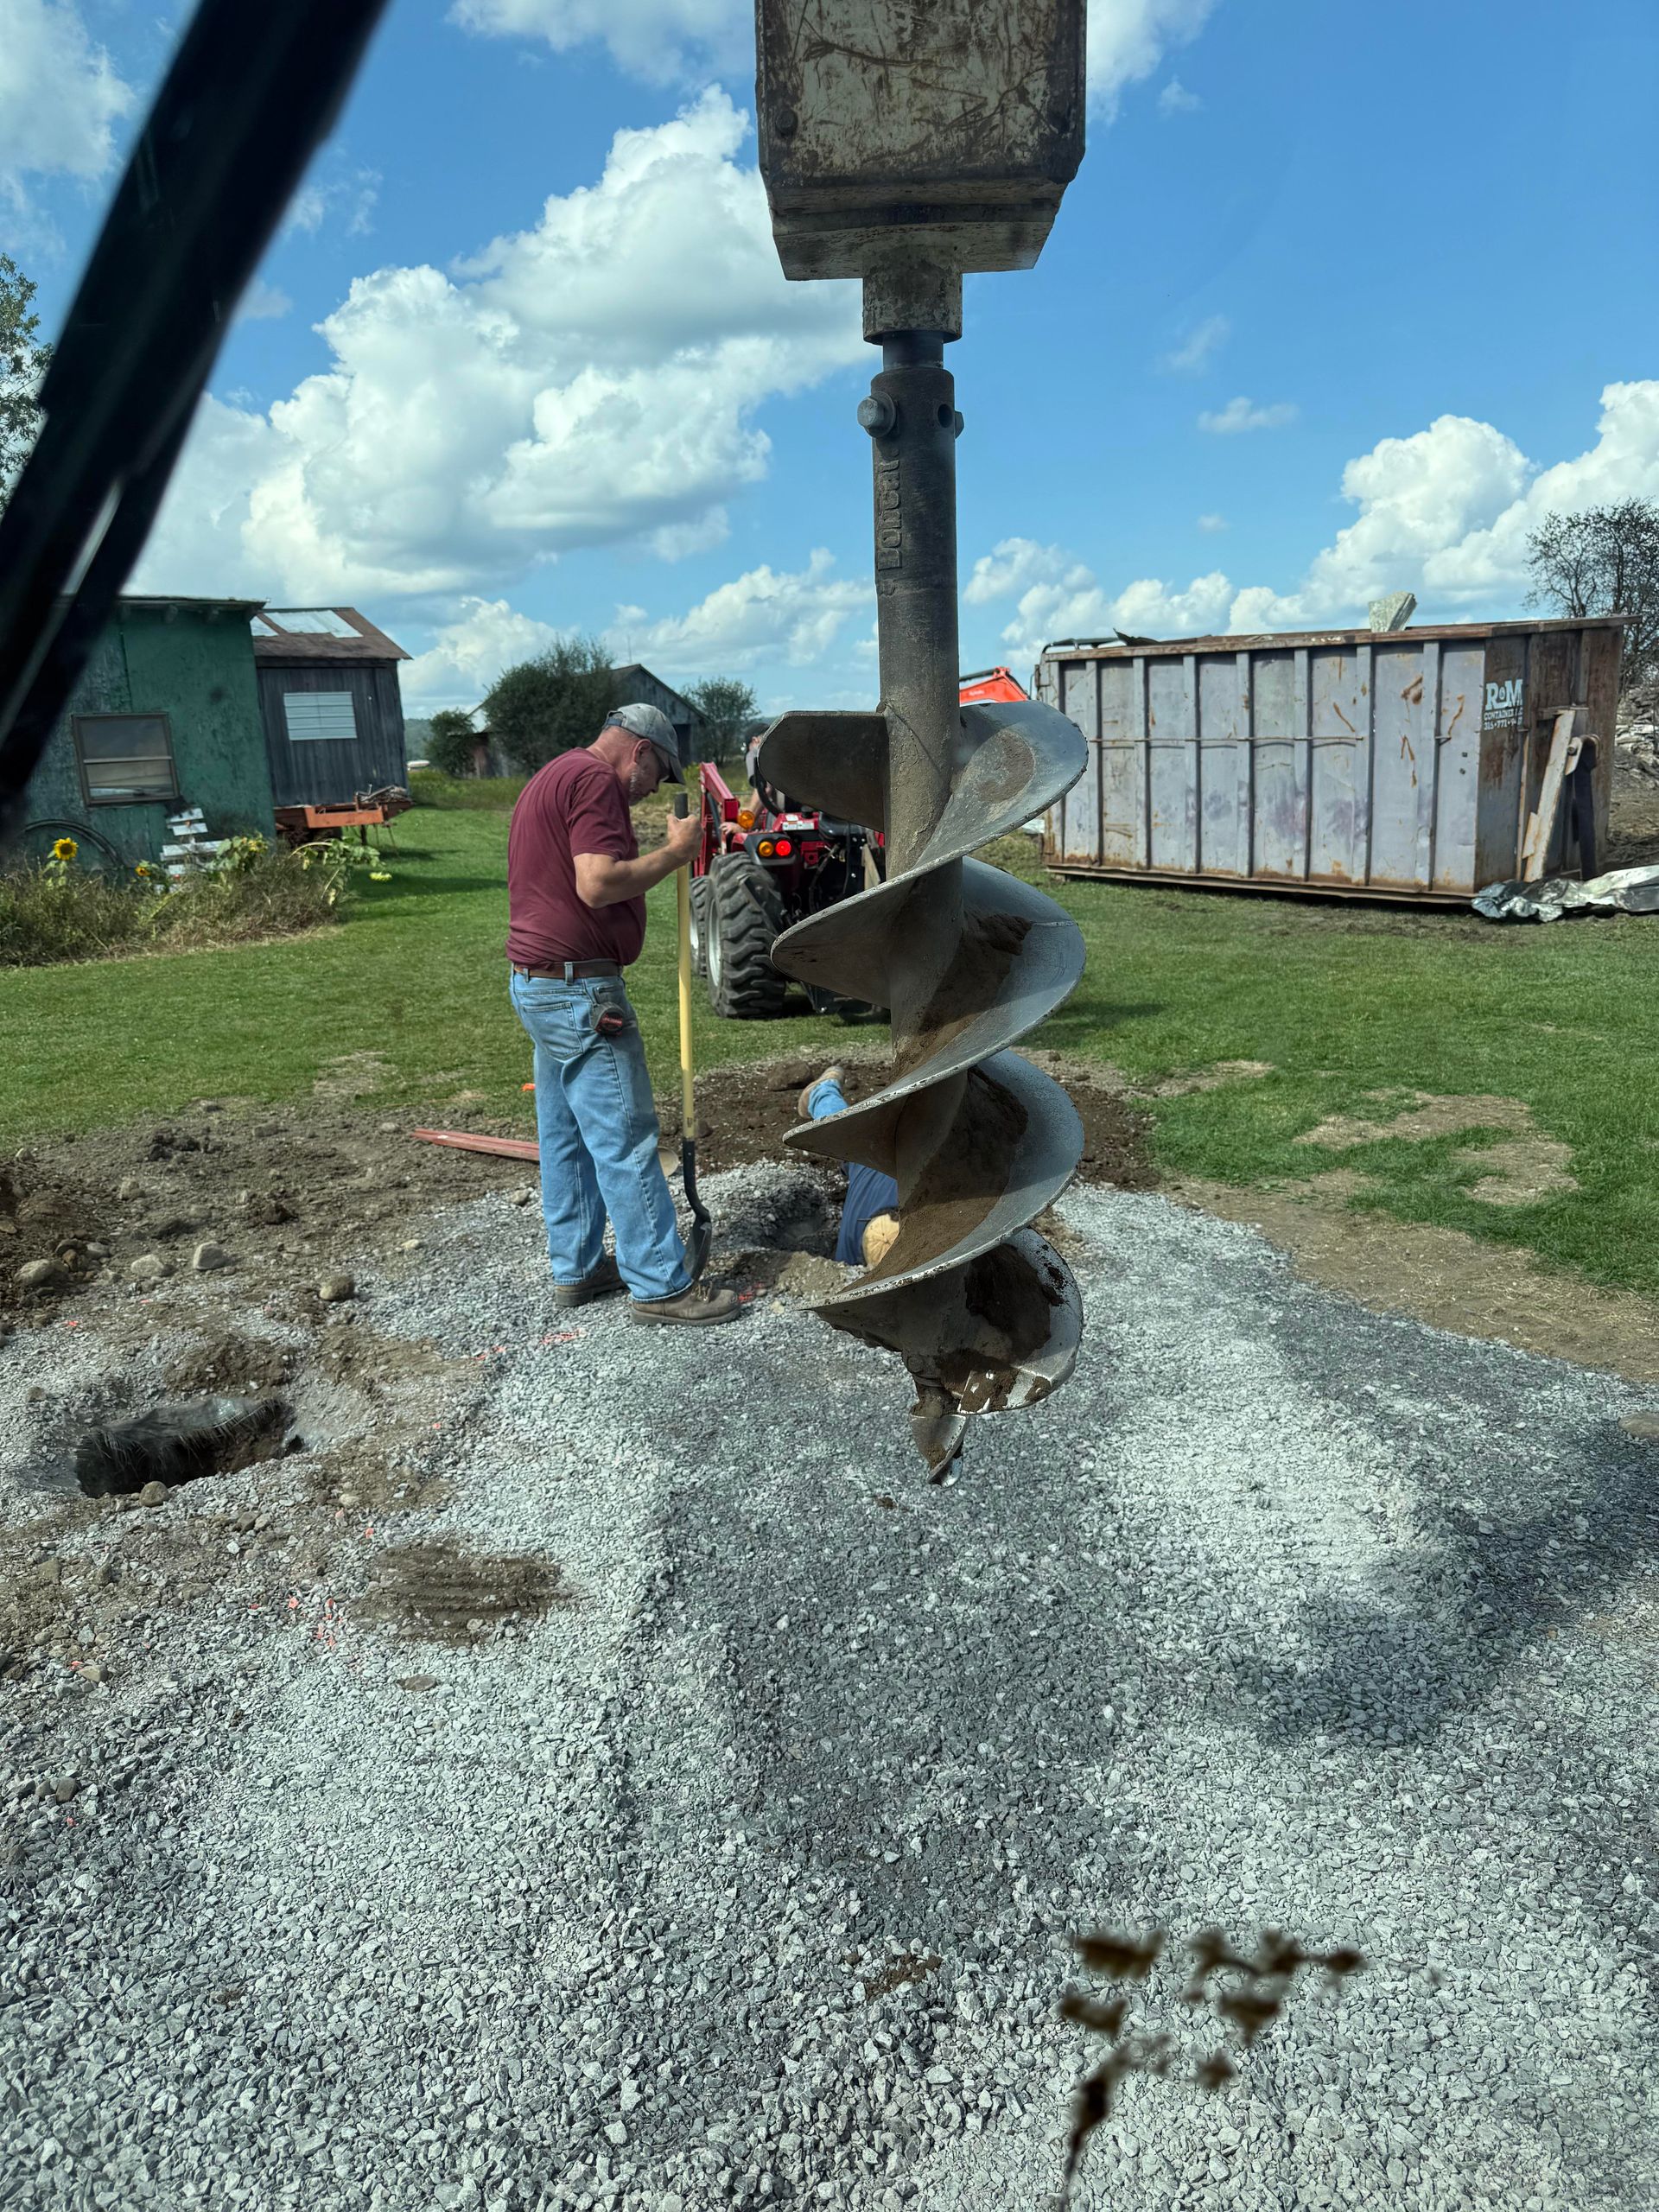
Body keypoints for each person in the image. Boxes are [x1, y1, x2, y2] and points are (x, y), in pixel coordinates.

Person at [507, 704, 741, 1326]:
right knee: (624, 1136)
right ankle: (661, 1283)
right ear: (639, 751)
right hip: (580, 995)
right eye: (657, 773)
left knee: (565, 1138)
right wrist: (674, 852)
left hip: (539, 988)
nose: (651, 788)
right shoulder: (594, 782)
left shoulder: (551, 776)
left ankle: (578, 1268)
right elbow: (598, 882)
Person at [798, 1066, 900, 1266]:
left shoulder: (847, 1258)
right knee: (847, 1134)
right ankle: (822, 1092)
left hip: (871, 1155)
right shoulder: (847, 1258)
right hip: (880, 1150)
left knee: (847, 1135)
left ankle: (822, 1092)